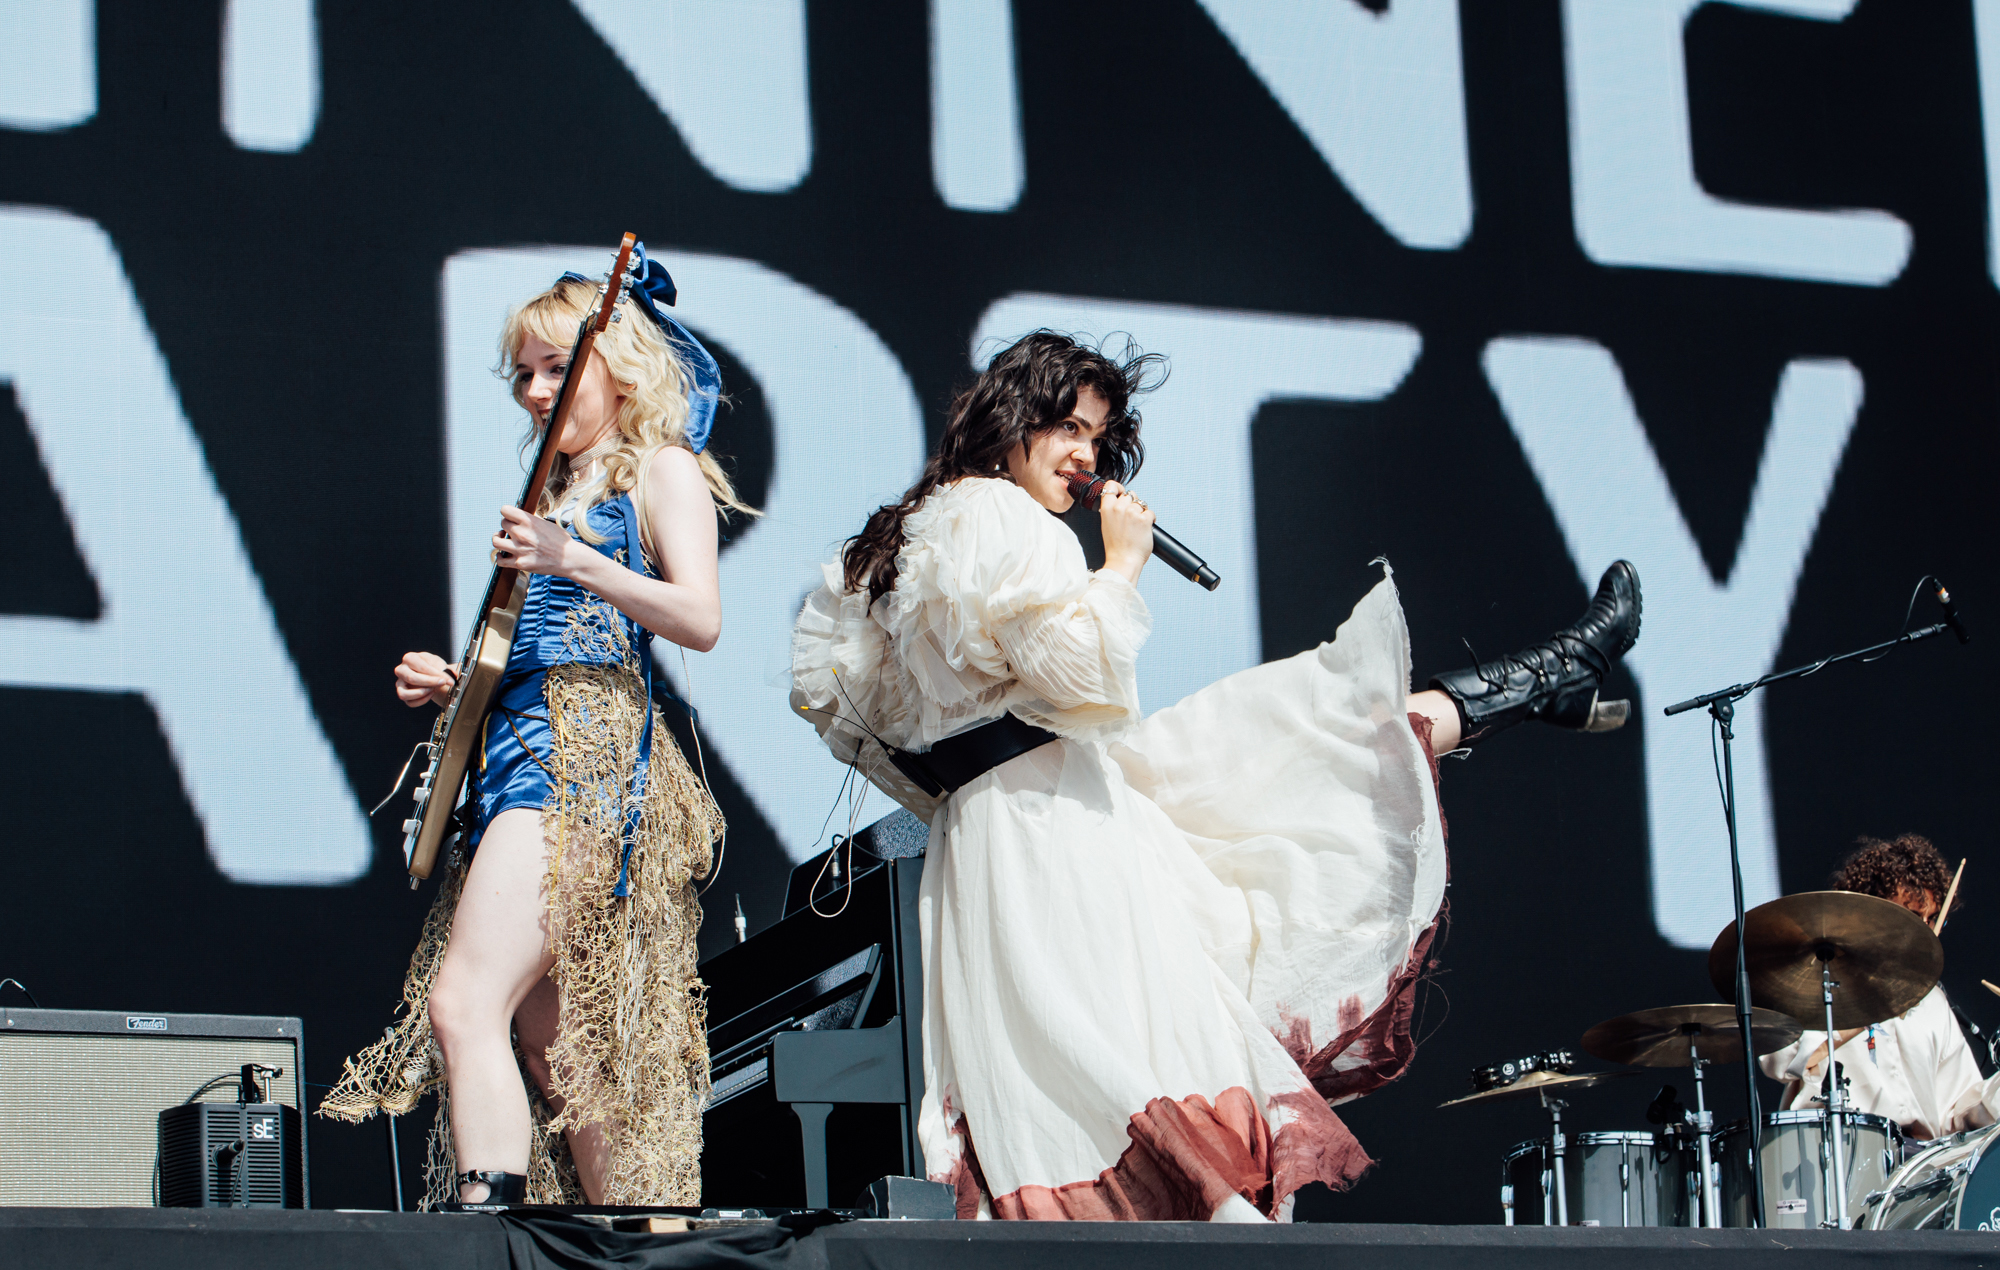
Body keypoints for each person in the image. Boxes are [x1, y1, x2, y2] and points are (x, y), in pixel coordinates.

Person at [789, 330, 1642, 1221]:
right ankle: (1554, 672)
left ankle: (1548, 675)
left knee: (1298, 742)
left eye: (1097, 438)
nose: (1085, 456)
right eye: (1069, 427)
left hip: (1002, 834)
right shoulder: (1001, 519)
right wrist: (1119, 564)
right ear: (1015, 416)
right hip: (1052, 833)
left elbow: (869, 728)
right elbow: (1078, 670)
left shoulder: (906, 539)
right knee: (1308, 760)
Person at [322, 247, 752, 1207]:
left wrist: (572, 557)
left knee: (464, 1000)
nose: (532, 392)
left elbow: (700, 619)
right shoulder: (554, 495)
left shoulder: (661, 471)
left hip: (583, 765)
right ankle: (640, 1239)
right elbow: (546, 645)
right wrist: (457, 685)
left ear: (620, 365)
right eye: (522, 372)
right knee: (562, 1056)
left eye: (556, 368)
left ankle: (488, 1234)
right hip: (518, 755)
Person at [1760, 834, 1992, 1141]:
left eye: (1932, 919)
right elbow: (1777, 1061)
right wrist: (1864, 1006)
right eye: (1911, 916)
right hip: (1833, 1149)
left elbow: (1960, 1109)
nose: (1924, 930)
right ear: (1868, 910)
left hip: (1917, 1168)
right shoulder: (1815, 980)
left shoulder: (1932, 1001)